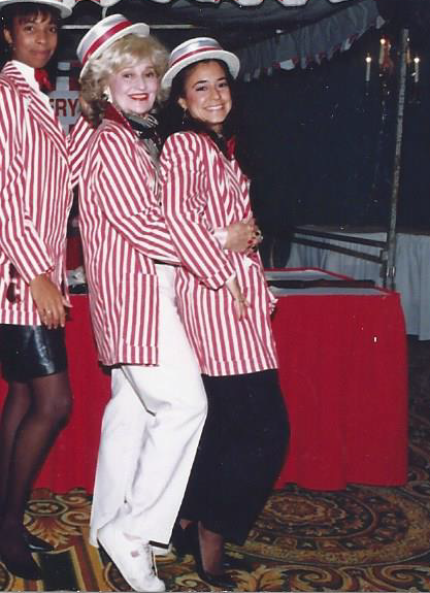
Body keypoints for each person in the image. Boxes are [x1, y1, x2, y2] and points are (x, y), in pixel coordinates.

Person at [74, 15, 208, 593]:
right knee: (185, 408)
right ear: (103, 83)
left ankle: (107, 522)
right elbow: (143, 226)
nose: (140, 82)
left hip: (149, 288)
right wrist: (216, 249)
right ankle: (135, 532)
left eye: (148, 72)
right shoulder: (112, 139)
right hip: (137, 295)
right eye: (126, 73)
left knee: (131, 412)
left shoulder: (137, 132)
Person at [158, 37, 290, 585]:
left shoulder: (218, 148)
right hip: (217, 301)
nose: (215, 95)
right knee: (263, 430)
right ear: (182, 102)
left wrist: (244, 240)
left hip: (238, 299)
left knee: (228, 427)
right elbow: (174, 222)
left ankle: (189, 519)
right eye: (201, 87)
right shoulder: (186, 146)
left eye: (221, 84)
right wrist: (222, 253)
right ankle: (211, 529)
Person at [0, 0, 74, 580]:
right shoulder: (1, 97)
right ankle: (9, 517)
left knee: (24, 394)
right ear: (6, 32)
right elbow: (2, 195)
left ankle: (0, 505)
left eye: (49, 26)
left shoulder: (38, 96)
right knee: (54, 402)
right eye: (29, 26)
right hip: (17, 274)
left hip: (32, 270)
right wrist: (37, 273)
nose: (41, 37)